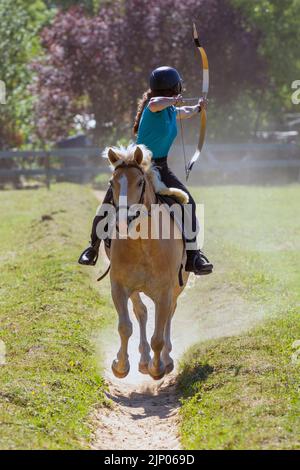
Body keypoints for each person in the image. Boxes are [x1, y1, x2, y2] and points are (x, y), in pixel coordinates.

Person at [78, 66, 213, 275]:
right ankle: (92, 248)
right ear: (173, 87)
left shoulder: (169, 110)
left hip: (162, 166)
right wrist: (173, 100)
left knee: (189, 203)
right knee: (108, 205)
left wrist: (197, 108)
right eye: (178, 87)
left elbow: (182, 112)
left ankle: (194, 255)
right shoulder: (154, 107)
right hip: (138, 166)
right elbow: (155, 103)